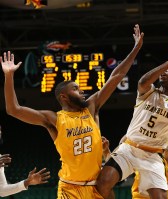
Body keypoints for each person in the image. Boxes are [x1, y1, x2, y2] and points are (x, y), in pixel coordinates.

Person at [0, 24, 144, 199]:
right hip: (70, 189)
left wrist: (135, 49)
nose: (81, 90)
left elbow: (116, 76)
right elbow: (13, 109)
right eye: (76, 89)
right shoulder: (54, 119)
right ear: (64, 97)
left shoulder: (91, 107)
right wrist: (8, 76)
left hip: (96, 186)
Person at [96, 44, 168, 199]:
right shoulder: (149, 93)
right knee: (103, 183)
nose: (164, 72)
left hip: (152, 155)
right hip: (129, 148)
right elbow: (142, 82)